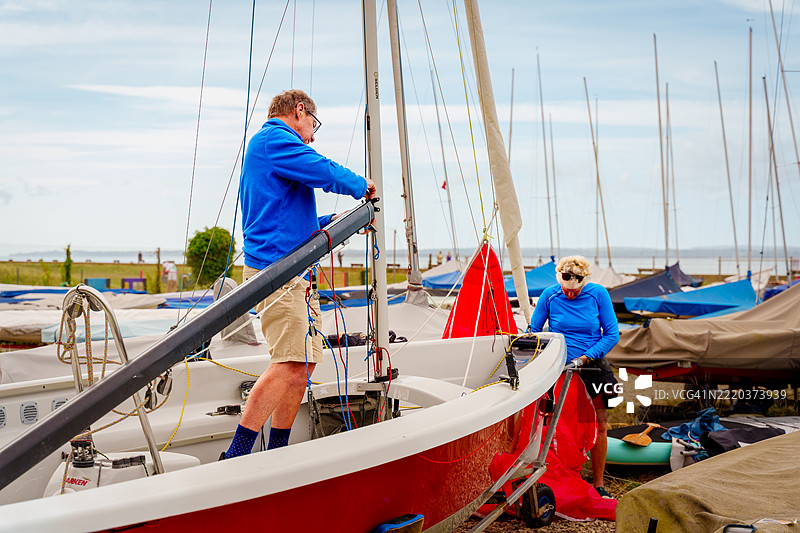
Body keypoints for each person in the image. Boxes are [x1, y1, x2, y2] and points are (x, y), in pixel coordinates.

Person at [222, 89, 376, 459]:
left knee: (302, 365)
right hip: (279, 271)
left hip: (294, 272)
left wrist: (334, 220)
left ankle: (278, 449)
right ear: (300, 111)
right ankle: (236, 455)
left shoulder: (272, 149)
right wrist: (362, 185)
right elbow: (320, 169)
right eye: (313, 126)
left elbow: (289, 221)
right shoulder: (275, 139)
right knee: (290, 363)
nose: (312, 136)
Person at [530, 255, 619, 499]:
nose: (570, 294)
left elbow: (612, 334)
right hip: (559, 366)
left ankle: (599, 484)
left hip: (592, 365)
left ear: (584, 282)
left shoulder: (598, 294)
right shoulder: (549, 295)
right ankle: (560, 477)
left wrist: (586, 357)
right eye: (565, 289)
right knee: (555, 423)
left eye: (575, 290)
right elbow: (534, 331)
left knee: (599, 423)